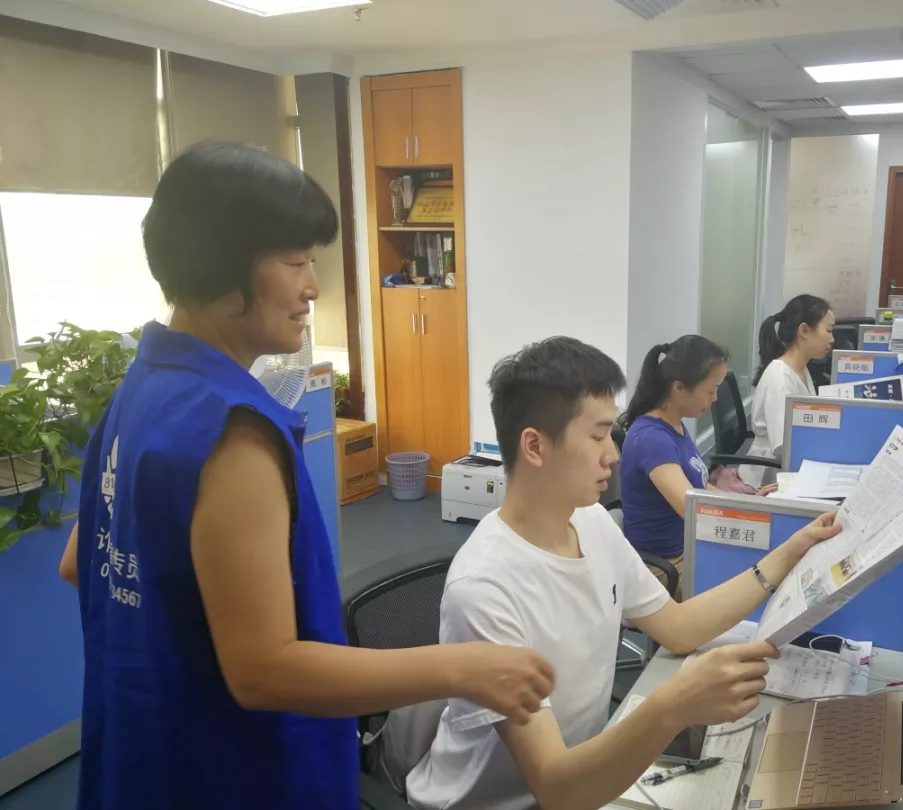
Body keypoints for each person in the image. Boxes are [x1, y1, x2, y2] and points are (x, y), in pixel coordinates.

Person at [56, 142, 554, 810]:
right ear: (222, 264)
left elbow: (79, 563)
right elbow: (265, 672)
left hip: (143, 755)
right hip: (237, 775)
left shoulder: (143, 386)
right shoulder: (231, 429)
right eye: (296, 264)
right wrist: (460, 667)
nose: (313, 288)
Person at [405, 336, 839, 810]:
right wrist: (673, 707)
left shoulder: (591, 522)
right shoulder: (484, 589)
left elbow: (679, 627)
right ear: (535, 446)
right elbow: (556, 788)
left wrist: (786, 555)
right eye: (597, 436)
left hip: (585, 775)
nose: (613, 454)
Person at [618, 335, 774, 599]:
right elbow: (693, 510)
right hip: (667, 565)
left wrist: (747, 505)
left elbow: (700, 488)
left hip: (690, 547)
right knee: (760, 586)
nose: (715, 399)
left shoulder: (674, 423)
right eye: (710, 391)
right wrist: (748, 520)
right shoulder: (652, 439)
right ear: (679, 387)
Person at [740, 295, 835, 488]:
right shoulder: (781, 378)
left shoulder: (801, 368)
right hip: (769, 477)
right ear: (804, 331)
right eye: (828, 330)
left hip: (788, 465)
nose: (832, 339)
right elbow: (782, 447)